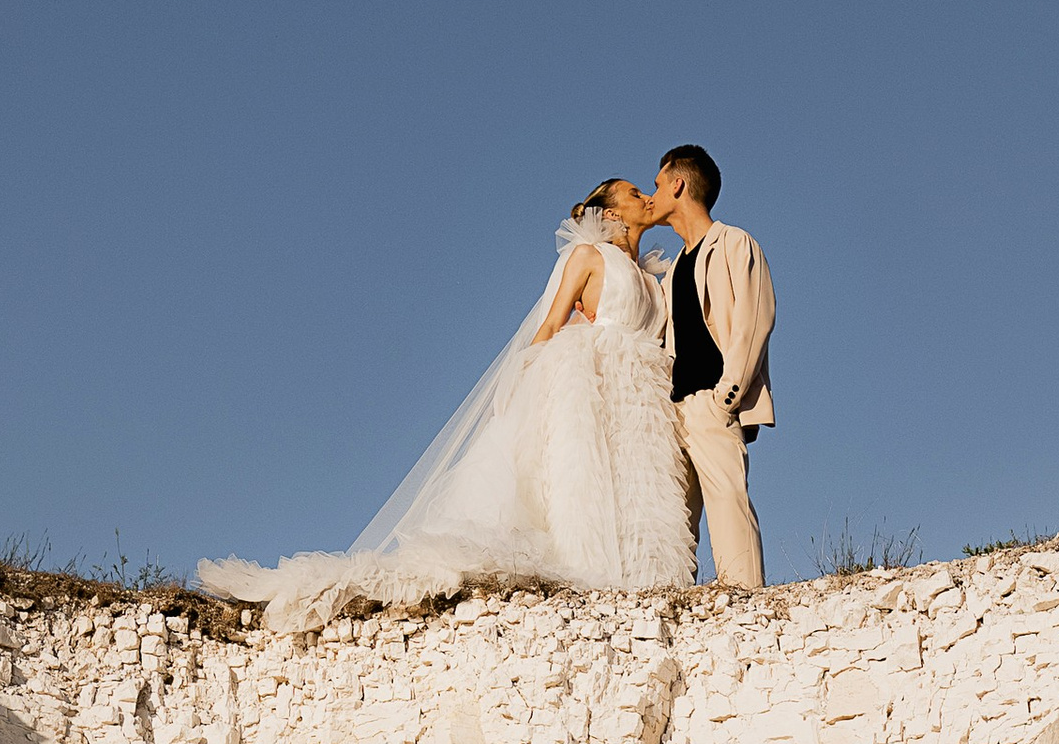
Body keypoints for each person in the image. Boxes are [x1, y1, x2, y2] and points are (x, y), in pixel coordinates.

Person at [195, 182, 694, 622]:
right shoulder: (589, 258)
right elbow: (551, 324)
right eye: (633, 194)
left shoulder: (654, 278)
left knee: (639, 492)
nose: (646, 198)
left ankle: (647, 589)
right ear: (608, 213)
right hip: (590, 383)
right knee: (585, 483)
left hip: (642, 397)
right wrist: (522, 386)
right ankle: (597, 579)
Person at [643, 146, 775, 589]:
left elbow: (754, 324)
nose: (652, 194)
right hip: (673, 411)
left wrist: (726, 398)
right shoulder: (672, 269)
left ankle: (746, 604)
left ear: (678, 184)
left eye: (658, 184)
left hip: (713, 404)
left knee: (728, 504)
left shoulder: (735, 243)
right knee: (673, 524)